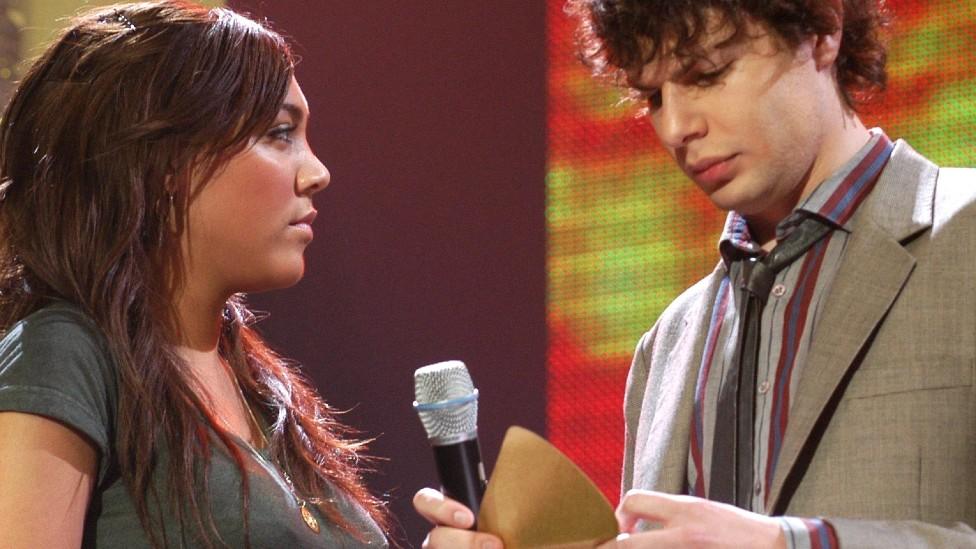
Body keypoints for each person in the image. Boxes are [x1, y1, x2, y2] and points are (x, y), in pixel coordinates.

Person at [414, 0, 976, 547]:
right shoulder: (667, 344)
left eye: (707, 74)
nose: (676, 127)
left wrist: (789, 544)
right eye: (654, 96)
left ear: (822, 29)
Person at [0, 2, 389, 547]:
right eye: (280, 133)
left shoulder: (260, 385)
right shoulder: (66, 352)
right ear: (164, 164)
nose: (317, 172)